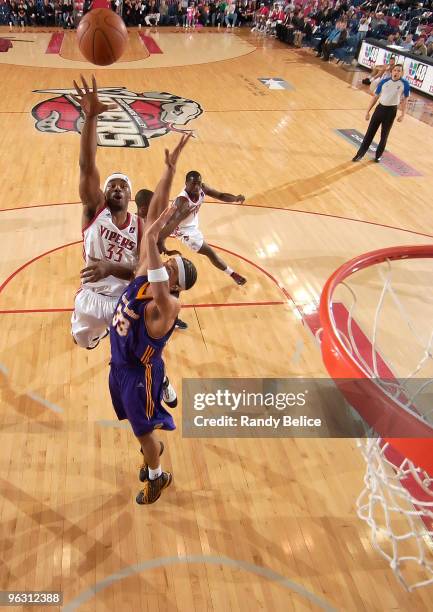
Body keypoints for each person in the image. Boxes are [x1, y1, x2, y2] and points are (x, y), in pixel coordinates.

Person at [70, 75, 178, 408]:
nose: (116, 188)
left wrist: (109, 267)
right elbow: (87, 165)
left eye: (123, 187)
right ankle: (100, 335)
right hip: (89, 298)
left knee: (143, 354)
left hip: (124, 303)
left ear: (130, 196)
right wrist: (90, 118)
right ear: (104, 193)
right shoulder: (94, 210)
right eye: (112, 185)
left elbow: (139, 271)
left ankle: (163, 383)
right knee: (81, 342)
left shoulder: (141, 227)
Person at [109, 142, 198, 505]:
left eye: (173, 267)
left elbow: (152, 243)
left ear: (175, 283)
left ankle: (157, 476)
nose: (168, 260)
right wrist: (170, 170)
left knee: (145, 434)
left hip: (138, 373)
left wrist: (154, 233)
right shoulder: (150, 275)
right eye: (172, 259)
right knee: (136, 428)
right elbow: (152, 226)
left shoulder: (168, 305)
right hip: (119, 364)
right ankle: (152, 453)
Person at [157, 171, 247, 285]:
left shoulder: (202, 188)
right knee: (210, 253)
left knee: (210, 252)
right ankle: (233, 274)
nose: (196, 187)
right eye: (193, 184)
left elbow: (220, 195)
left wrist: (235, 198)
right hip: (182, 230)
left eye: (198, 183)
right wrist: (162, 241)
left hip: (191, 222)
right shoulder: (182, 201)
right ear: (186, 183)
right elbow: (168, 225)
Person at [135, 188, 189, 330]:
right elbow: (156, 237)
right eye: (154, 206)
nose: (157, 209)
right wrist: (178, 218)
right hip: (139, 270)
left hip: (148, 266)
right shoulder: (139, 224)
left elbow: (158, 240)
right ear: (143, 209)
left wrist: (165, 249)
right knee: (165, 291)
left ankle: (168, 318)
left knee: (170, 290)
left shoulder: (147, 220)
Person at [352, 64, 410, 163]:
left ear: (402, 73)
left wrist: (403, 115)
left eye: (399, 71)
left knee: (384, 135)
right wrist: (368, 111)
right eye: (395, 70)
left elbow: (405, 100)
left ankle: (378, 155)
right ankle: (360, 154)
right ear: (392, 71)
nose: (396, 72)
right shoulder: (384, 82)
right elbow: (375, 97)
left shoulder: (405, 84)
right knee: (369, 133)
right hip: (379, 109)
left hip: (391, 111)